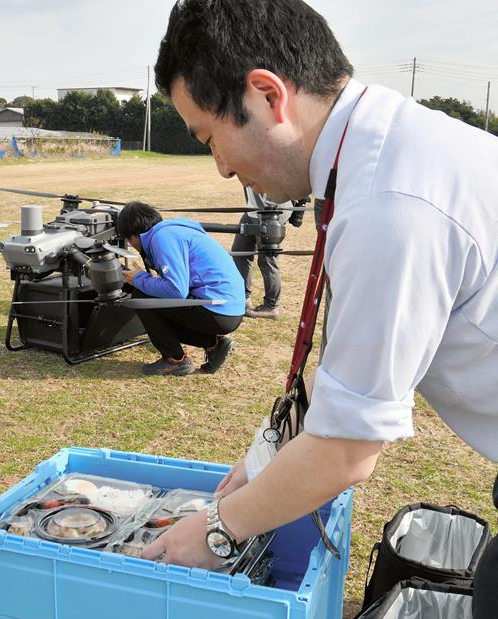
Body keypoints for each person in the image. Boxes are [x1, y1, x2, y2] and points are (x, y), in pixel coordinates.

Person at [141, 1, 498, 615]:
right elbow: (339, 377)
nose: (222, 166)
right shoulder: (382, 150)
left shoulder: (392, 202)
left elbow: (345, 449)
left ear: (266, 94)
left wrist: (218, 529)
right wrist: (262, 463)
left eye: (209, 138)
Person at [116, 201, 245, 376]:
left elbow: (176, 290)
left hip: (217, 309)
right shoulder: (173, 230)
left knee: (142, 297)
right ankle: (214, 344)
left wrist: (139, 279)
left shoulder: (162, 238)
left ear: (133, 235)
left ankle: (174, 359)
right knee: (156, 301)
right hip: (231, 308)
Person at [231, 187, 304, 319]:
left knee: (267, 260)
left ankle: (271, 306)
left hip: (270, 211)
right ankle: (243, 298)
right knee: (239, 253)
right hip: (252, 211)